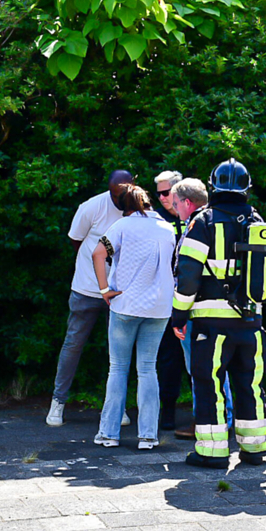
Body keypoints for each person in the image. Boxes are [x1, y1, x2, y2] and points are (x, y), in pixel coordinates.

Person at [172, 159, 266, 468]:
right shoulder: (257, 221)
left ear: (213, 186)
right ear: (247, 188)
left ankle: (212, 453)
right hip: (252, 324)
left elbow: (187, 274)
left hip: (212, 327)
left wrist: (179, 316)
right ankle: (254, 449)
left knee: (209, 385)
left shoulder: (203, 222)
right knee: (250, 386)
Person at [91, 184, 176, 449]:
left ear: (124, 207)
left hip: (125, 304)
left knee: (117, 369)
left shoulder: (122, 226)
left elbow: (98, 253)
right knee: (148, 369)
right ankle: (148, 436)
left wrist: (105, 290)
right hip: (160, 307)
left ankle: (109, 434)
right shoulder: (167, 228)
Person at [46, 170, 131, 427]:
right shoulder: (92, 206)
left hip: (119, 293)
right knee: (73, 346)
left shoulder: (137, 208)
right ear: (109, 189)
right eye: (117, 197)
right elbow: (76, 240)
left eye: (125, 195)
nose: (121, 201)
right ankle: (57, 403)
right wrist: (96, 271)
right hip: (86, 289)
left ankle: (118, 407)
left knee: (118, 352)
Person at [169, 178, 233, 441]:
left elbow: (187, 275)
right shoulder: (223, 220)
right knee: (223, 368)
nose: (173, 209)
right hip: (230, 309)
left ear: (187, 202)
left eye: (174, 204)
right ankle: (225, 418)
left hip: (200, 310)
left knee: (202, 369)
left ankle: (210, 420)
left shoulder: (198, 225)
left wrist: (179, 315)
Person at [153, 170, 186, 431]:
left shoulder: (195, 217)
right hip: (165, 298)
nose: (162, 198)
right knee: (169, 357)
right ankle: (168, 410)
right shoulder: (155, 219)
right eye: (159, 193)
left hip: (195, 297)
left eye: (166, 192)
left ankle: (207, 413)